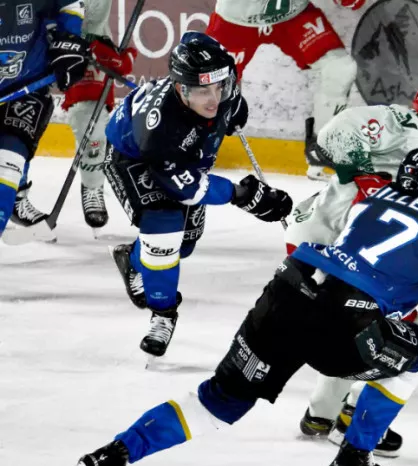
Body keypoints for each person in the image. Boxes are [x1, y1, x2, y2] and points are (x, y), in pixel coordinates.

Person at [58, 148, 418, 466]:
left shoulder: (372, 201)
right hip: (348, 324)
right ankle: (352, 460)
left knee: (218, 401)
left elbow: (378, 255)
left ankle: (111, 455)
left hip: (290, 287)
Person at [289, 80, 418, 454]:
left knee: (351, 328)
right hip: (331, 243)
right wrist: (362, 177)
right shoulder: (411, 130)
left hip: (326, 240)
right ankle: (354, 419)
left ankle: (322, 414)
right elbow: (334, 133)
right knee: (396, 335)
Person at [104, 32, 292, 357]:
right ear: (180, 88)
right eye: (203, 91)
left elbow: (223, 105)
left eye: (219, 87)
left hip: (183, 157)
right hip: (135, 159)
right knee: (164, 235)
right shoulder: (158, 131)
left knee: (185, 244)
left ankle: (132, 258)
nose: (213, 100)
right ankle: (163, 315)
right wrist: (244, 195)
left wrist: (234, 110)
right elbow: (191, 189)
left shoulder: (220, 94)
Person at [204, 0, 362, 179]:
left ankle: (321, 151)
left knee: (339, 68)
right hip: (236, 20)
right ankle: (184, 150)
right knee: (207, 84)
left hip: (292, 17)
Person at [0, 0, 89, 244]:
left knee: (9, 159)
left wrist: (68, 41)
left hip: (25, 84)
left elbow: (69, 4)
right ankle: (16, 193)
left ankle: (15, 197)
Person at [61, 0, 138, 232]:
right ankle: (16, 191)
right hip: (43, 30)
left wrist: (102, 48)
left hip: (91, 36)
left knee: (91, 123)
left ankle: (92, 185)